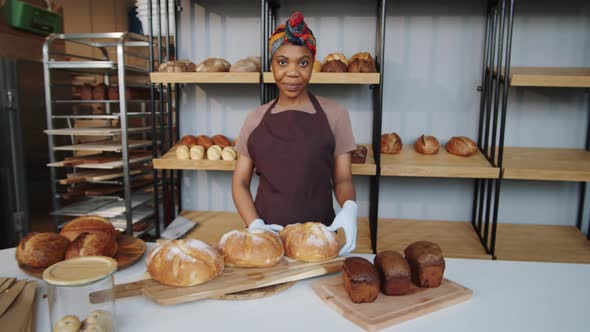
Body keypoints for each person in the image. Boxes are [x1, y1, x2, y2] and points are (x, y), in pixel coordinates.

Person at [232, 12, 357, 255]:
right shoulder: (254, 119)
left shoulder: (336, 114)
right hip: (266, 238)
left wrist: (349, 207)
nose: (292, 72)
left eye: (303, 63)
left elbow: (342, 179)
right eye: (282, 62)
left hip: (320, 238)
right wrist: (255, 225)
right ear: (271, 65)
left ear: (313, 65)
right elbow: (240, 182)